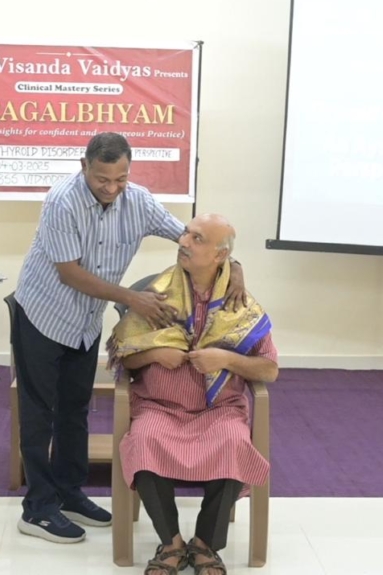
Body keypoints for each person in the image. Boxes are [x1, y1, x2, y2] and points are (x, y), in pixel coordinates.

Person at [11, 132, 247, 544]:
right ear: (84, 166)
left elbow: (191, 239)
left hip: (84, 322)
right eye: (102, 179)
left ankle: (69, 492)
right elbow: (70, 273)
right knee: (39, 412)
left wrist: (234, 263)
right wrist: (132, 299)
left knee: (75, 409)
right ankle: (38, 508)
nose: (111, 188)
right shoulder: (62, 201)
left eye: (120, 179)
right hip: (43, 314)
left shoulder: (138, 200)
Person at [107, 214, 278, 575]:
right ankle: (171, 543)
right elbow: (126, 355)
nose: (183, 241)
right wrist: (155, 353)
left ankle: (204, 545)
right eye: (186, 233)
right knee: (145, 440)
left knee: (233, 441)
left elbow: (269, 369)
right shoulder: (156, 295)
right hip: (158, 406)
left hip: (219, 410)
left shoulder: (241, 306)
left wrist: (226, 359)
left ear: (220, 255)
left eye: (197, 238)